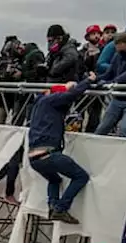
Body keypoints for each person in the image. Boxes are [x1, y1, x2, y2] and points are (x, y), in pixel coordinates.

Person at [27, 78, 92, 223]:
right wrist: (87, 81)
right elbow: (71, 95)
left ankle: (52, 205)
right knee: (81, 176)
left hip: (34, 158)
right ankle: (60, 208)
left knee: (54, 179)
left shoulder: (39, 105)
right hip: (49, 154)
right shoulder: (50, 101)